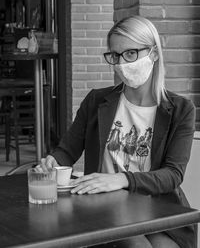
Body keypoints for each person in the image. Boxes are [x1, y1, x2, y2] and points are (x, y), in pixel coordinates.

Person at [36, 16, 196, 248]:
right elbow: (66, 151)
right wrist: (52, 162)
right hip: (106, 210)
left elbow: (173, 175)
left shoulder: (181, 110)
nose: (121, 63)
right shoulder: (96, 101)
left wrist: (120, 179)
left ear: (154, 53)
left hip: (159, 211)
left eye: (130, 53)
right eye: (115, 55)